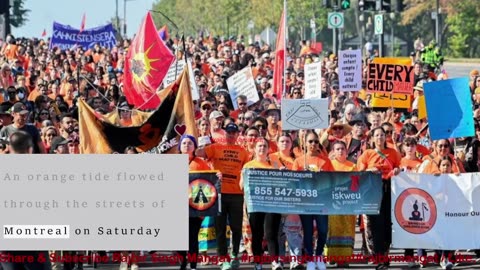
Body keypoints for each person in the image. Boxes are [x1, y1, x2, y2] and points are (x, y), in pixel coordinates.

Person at [197, 123, 249, 270]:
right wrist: (200, 138)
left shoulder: (243, 151)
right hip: (219, 193)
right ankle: (222, 257)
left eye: (234, 132)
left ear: (237, 134)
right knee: (220, 228)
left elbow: (247, 171)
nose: (231, 135)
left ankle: (234, 255)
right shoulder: (215, 147)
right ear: (224, 133)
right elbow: (199, 153)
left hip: (237, 194)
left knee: (236, 227)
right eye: (229, 132)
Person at [357, 127, 401, 270]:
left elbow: (399, 167)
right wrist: (370, 170)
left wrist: (397, 170)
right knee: (375, 225)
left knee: (388, 224)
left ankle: (385, 253)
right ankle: (380, 258)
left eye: (382, 134)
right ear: (372, 138)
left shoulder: (393, 152)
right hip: (372, 189)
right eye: (377, 135)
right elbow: (359, 172)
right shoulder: (367, 154)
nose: (380, 137)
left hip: (389, 189)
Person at [178, 134, 222, 270]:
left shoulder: (201, 163)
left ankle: (192, 266)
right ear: (179, 146)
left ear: (195, 147)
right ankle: (182, 263)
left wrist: (217, 176)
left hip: (195, 208)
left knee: (192, 238)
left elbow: (210, 181)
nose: (187, 145)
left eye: (190, 143)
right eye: (184, 143)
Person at [293, 131, 335, 270]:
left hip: (322, 201)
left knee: (323, 230)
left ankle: (319, 255)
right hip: (305, 202)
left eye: (316, 141)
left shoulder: (325, 161)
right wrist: (302, 175)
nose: (313, 144)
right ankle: (310, 258)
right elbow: (293, 182)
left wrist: (323, 176)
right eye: (310, 141)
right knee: (308, 231)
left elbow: (333, 180)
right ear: (305, 143)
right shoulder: (299, 161)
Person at [240, 137, 282, 270]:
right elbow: (241, 186)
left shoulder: (275, 165)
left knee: (271, 234)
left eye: (264, 146)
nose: (262, 148)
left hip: (272, 203)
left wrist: (281, 173)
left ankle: (274, 261)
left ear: (269, 149)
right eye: (259, 146)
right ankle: (258, 262)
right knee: (257, 234)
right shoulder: (248, 166)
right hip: (255, 204)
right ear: (254, 149)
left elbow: (283, 183)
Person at [324, 141, 356, 267]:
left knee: (346, 230)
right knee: (331, 229)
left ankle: (344, 258)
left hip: (348, 203)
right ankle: (331, 255)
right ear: (333, 151)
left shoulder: (352, 166)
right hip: (331, 203)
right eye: (337, 149)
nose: (340, 151)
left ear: (346, 151)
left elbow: (356, 184)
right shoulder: (329, 165)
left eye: (342, 148)